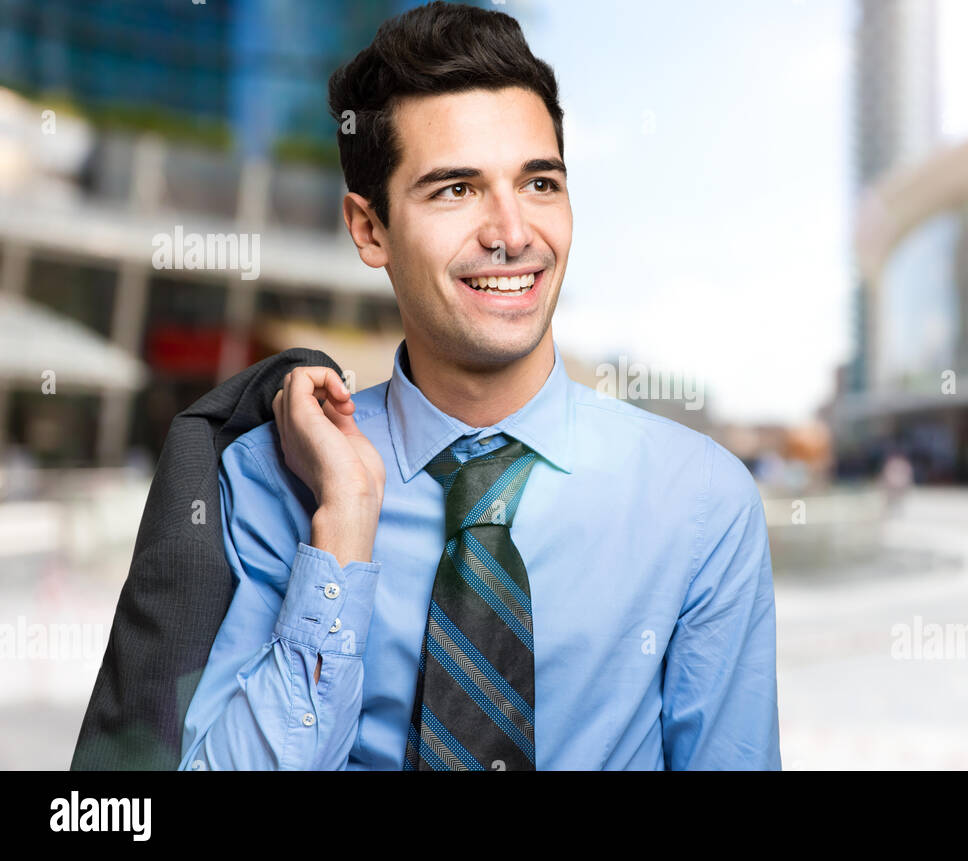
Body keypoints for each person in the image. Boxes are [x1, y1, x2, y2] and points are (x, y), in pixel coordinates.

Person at [178, 0, 780, 771]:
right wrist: (343, 530)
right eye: (456, 190)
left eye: (538, 183)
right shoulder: (270, 478)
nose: (512, 231)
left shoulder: (701, 502)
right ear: (370, 229)